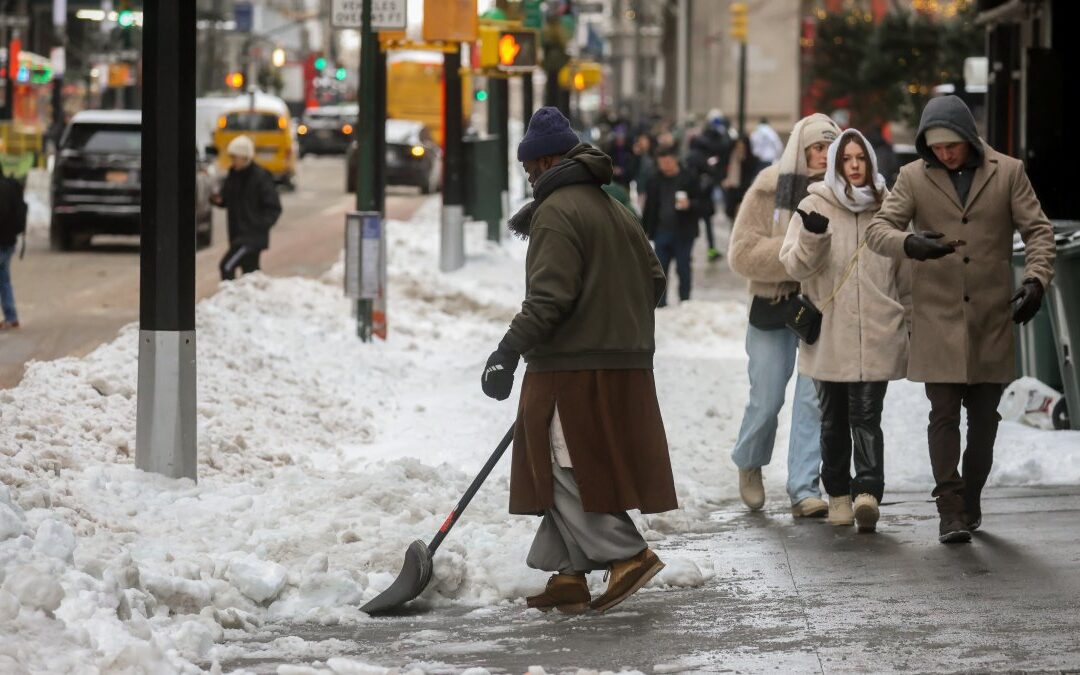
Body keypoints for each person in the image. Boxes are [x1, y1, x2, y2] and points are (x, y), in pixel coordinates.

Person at [483, 107, 676, 615]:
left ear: (546, 161)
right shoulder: (614, 207)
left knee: (563, 464)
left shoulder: (558, 211)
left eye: (529, 167)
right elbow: (654, 282)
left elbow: (549, 299)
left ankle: (628, 554)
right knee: (564, 463)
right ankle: (568, 573)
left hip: (573, 366)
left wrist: (506, 351)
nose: (527, 176)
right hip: (617, 359)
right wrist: (610, 309)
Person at [865, 95, 1056, 543]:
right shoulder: (913, 177)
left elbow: (1038, 231)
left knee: (985, 423)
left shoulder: (1008, 172)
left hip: (992, 317)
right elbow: (879, 229)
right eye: (936, 147)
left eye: (952, 145)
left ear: (969, 138)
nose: (946, 154)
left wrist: (1037, 280)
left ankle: (971, 498)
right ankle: (949, 507)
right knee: (943, 414)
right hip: (938, 317)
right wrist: (910, 244)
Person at [779, 129, 910, 532]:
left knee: (867, 416)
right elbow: (794, 267)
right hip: (830, 332)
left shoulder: (889, 206)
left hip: (877, 328)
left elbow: (904, 271)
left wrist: (903, 314)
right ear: (836, 165)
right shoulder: (814, 203)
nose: (854, 166)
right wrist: (814, 237)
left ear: (870, 162)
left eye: (861, 159)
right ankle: (837, 493)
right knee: (833, 420)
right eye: (846, 160)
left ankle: (868, 492)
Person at [727, 113, 839, 517]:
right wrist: (797, 251)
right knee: (768, 398)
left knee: (813, 400)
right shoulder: (768, 186)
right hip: (774, 308)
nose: (825, 157)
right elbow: (740, 254)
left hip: (822, 310)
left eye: (831, 147)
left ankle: (804, 487)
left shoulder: (843, 195)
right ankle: (749, 460)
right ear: (801, 150)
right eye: (817, 148)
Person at [211, 135, 282, 281]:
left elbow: (273, 207)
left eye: (235, 157)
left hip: (250, 237)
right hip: (237, 234)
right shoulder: (233, 175)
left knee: (227, 266)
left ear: (245, 157)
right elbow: (227, 199)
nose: (233, 161)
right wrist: (218, 200)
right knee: (250, 273)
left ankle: (230, 298)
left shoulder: (260, 177)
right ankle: (251, 301)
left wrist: (259, 225)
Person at [642, 145, 707, 306]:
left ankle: (685, 300)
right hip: (661, 231)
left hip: (684, 232)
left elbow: (704, 205)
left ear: (675, 160)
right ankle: (661, 303)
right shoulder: (654, 180)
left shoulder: (689, 178)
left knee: (683, 267)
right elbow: (649, 208)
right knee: (660, 270)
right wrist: (645, 230)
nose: (665, 166)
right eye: (661, 163)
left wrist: (690, 204)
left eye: (668, 162)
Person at [0, 170, 27, 330]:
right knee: (4, 280)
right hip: (10, 242)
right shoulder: (10, 186)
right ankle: (11, 317)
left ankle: (11, 317)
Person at [721, 134, 763, 222]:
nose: (739, 149)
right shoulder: (731, 157)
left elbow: (752, 177)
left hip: (744, 192)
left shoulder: (752, 160)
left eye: (742, 147)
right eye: (737, 147)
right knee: (733, 220)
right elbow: (723, 171)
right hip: (733, 192)